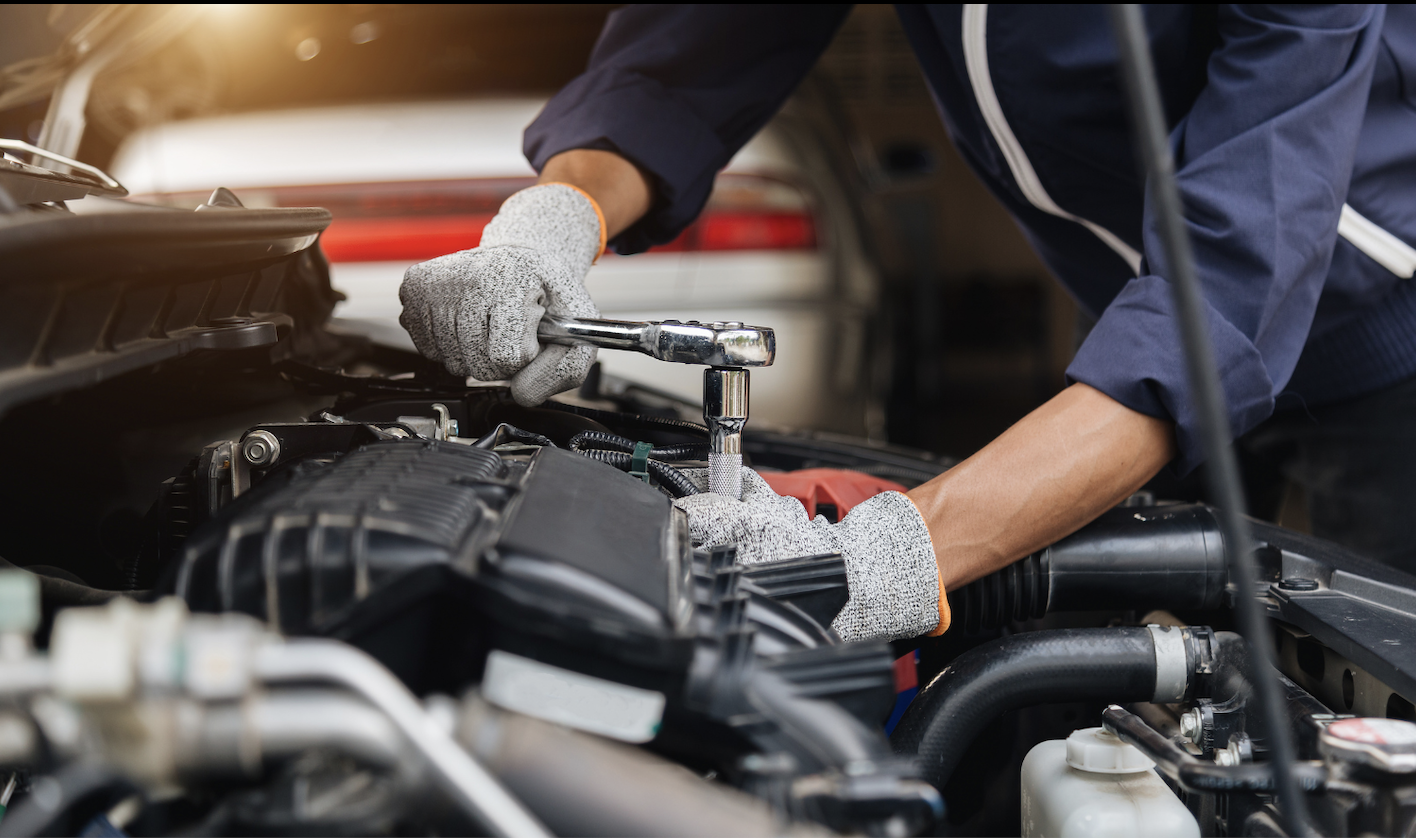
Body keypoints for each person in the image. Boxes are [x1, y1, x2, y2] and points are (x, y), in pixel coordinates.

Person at [399, 5, 1416, 641]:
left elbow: (1230, 290)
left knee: (1376, 692)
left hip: (1381, 325)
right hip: (1132, 322)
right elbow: (679, 60)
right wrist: (547, 226)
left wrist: (889, 551)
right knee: (1090, 683)